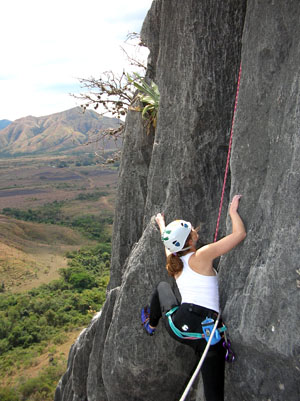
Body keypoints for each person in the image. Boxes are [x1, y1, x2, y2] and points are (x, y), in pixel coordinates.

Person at [141, 195, 246, 401]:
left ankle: (151, 324)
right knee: (214, 393)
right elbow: (239, 234)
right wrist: (233, 212)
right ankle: (157, 326)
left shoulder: (173, 258)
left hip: (178, 326)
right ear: (190, 240)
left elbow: (167, 241)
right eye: (191, 231)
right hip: (206, 332)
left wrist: (161, 223)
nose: (195, 231)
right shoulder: (202, 255)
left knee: (162, 287)